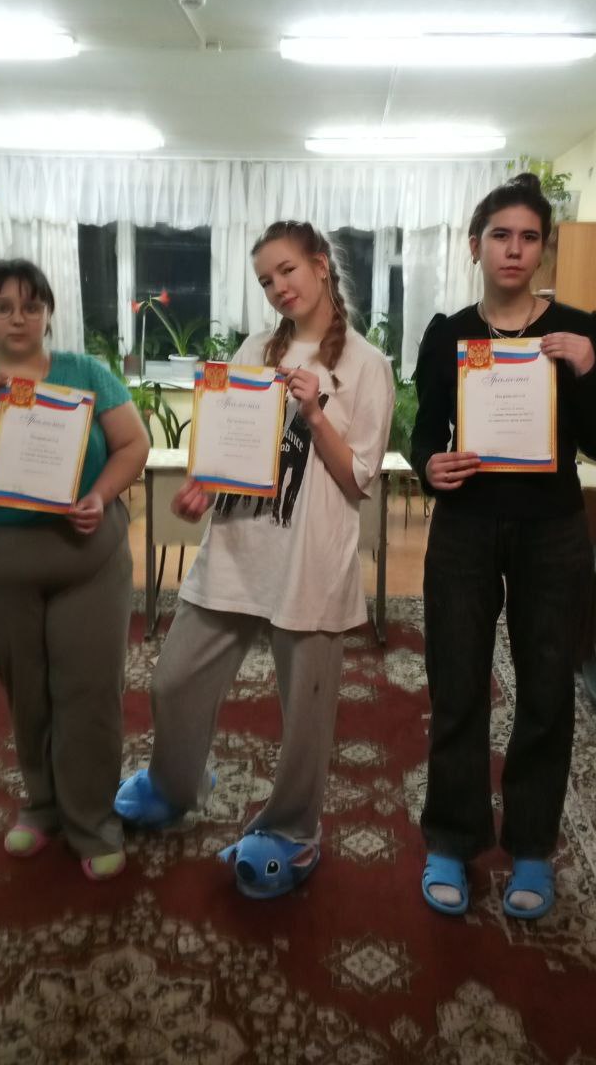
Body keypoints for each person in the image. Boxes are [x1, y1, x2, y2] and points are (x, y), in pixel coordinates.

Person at [114, 220, 394, 898]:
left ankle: (294, 832)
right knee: (173, 680)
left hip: (309, 564)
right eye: (266, 280)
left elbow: (358, 479)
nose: (278, 288)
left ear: (321, 265)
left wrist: (316, 413)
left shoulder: (367, 365)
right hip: (237, 552)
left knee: (306, 717)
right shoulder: (251, 350)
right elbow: (227, 446)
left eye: (287, 270)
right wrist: (203, 487)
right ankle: (173, 785)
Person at [411, 173, 596, 920]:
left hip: (552, 531)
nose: (514, 249)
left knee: (547, 690)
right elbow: (425, 435)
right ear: (476, 246)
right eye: (501, 235)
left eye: (530, 237)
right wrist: (429, 468)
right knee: (457, 684)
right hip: (465, 529)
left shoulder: (579, 329)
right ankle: (452, 837)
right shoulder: (447, 333)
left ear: (543, 250)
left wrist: (587, 368)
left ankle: (531, 846)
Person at [0, 259, 149, 882]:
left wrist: (99, 495)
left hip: (87, 562)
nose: (18, 318)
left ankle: (92, 820)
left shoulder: (87, 374)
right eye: (3, 306)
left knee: (89, 693)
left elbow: (134, 445)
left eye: (31, 306)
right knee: (30, 693)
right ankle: (43, 806)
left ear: (48, 313)